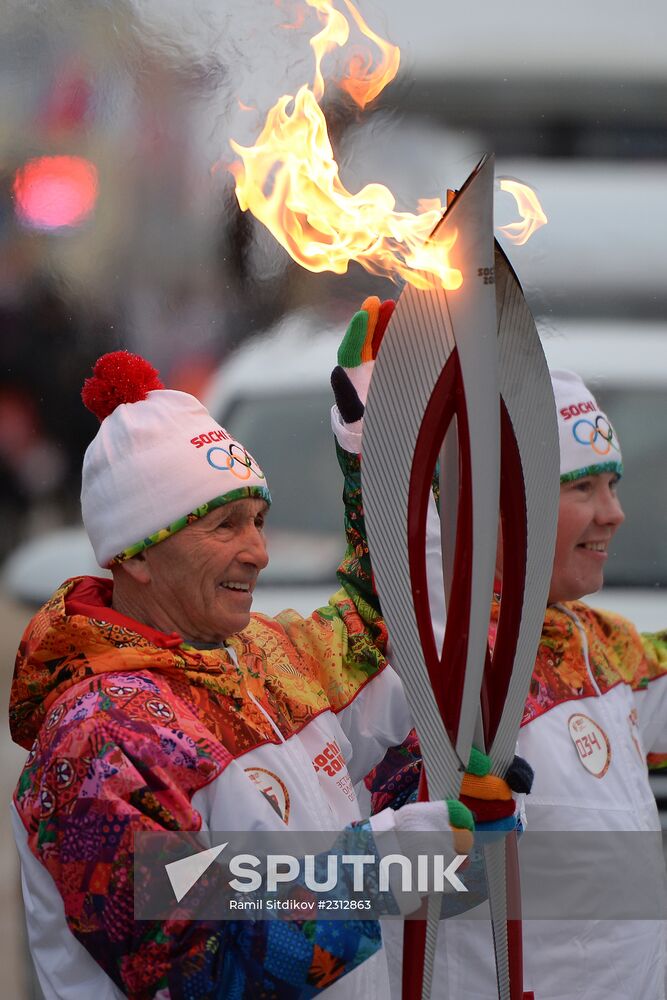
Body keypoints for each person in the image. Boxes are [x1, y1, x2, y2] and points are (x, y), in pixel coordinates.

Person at [9, 344, 519, 999]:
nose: (258, 551)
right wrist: (382, 865)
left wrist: (381, 445)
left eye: (258, 520)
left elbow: (402, 625)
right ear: (136, 555)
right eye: (225, 526)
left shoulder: (270, 660)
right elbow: (198, 964)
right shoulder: (96, 742)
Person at [339, 347, 667, 999]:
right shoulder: (432, 655)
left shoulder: (601, 646)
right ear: (499, 504)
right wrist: (369, 453)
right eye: (582, 487)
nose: (613, 512)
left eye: (612, 484)